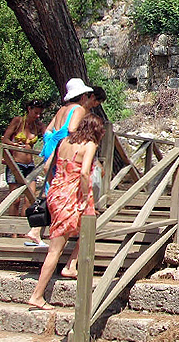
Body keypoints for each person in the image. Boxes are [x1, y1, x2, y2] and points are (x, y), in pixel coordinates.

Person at [27, 113, 105, 311]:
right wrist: (87, 197)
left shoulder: (63, 141)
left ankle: (71, 265)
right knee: (56, 249)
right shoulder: (89, 145)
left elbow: (47, 167)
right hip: (72, 195)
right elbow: (85, 172)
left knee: (88, 227)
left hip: (55, 192)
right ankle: (37, 295)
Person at [25, 78, 94, 247]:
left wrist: (52, 142)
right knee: (64, 188)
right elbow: (71, 129)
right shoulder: (78, 109)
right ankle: (55, 228)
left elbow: (48, 130)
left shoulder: (62, 109)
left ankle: (38, 228)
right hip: (63, 150)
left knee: (52, 187)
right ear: (82, 96)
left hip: (53, 147)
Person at [2, 100, 46, 219]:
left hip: (30, 166)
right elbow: (4, 139)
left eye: (40, 114)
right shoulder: (18, 121)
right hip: (15, 164)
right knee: (15, 200)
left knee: (30, 198)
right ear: (29, 109)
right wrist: (14, 144)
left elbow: (48, 136)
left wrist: (44, 128)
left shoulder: (37, 125)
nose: (37, 116)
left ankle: (22, 228)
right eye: (36, 113)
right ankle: (12, 230)